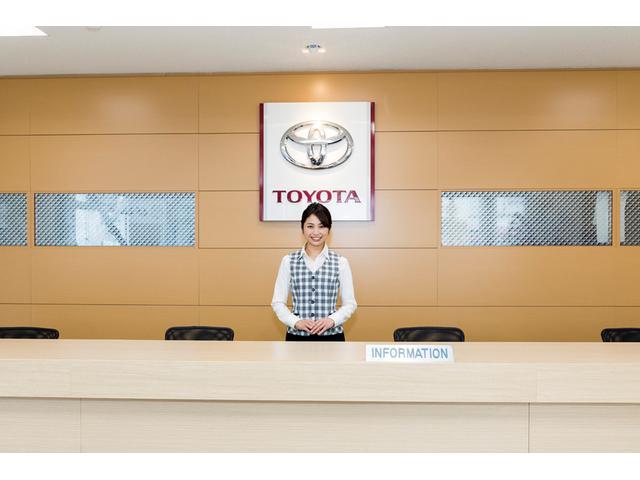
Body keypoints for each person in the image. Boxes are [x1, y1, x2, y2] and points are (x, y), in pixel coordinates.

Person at [271, 203, 357, 341]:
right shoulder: (288, 261)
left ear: (329, 229)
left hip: (332, 336)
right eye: (310, 226)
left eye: (321, 226)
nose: (316, 232)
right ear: (302, 228)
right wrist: (296, 322)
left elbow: (350, 304)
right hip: (296, 337)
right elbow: (278, 302)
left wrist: (332, 320)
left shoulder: (341, 262)